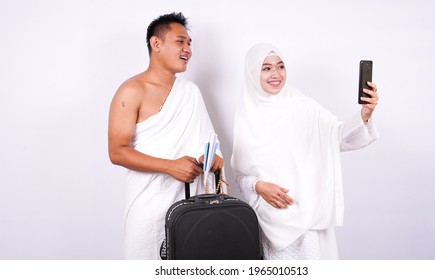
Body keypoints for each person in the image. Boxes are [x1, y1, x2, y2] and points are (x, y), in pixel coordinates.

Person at [230, 43, 379, 259]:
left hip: (310, 217)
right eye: (266, 68)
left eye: (280, 66)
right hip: (272, 220)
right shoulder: (247, 117)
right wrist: (259, 186)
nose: (276, 74)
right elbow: (241, 174)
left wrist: (365, 114)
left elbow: (338, 138)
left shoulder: (303, 106)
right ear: (253, 73)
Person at [108, 12, 224, 260]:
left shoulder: (190, 92)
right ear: (156, 43)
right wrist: (170, 166)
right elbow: (117, 151)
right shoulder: (131, 90)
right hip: (148, 205)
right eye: (180, 41)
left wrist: (213, 158)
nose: (188, 50)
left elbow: (209, 143)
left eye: (189, 44)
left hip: (192, 204)